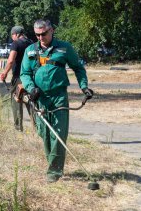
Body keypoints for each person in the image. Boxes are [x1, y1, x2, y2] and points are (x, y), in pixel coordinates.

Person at [20, 19, 93, 183]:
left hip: (59, 96)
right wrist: (32, 88)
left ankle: (54, 171)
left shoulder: (65, 47)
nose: (40, 37)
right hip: (39, 97)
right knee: (45, 133)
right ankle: (53, 164)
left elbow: (78, 68)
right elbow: (24, 73)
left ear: (51, 30)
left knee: (59, 133)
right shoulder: (30, 50)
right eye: (37, 35)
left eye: (43, 34)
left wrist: (84, 87)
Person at [0, 26, 32, 131]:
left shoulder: (16, 43)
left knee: (16, 100)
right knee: (31, 101)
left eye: (12, 35)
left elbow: (10, 60)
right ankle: (37, 126)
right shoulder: (32, 43)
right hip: (31, 78)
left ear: (16, 34)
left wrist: (4, 73)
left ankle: (18, 127)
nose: (12, 37)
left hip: (18, 77)